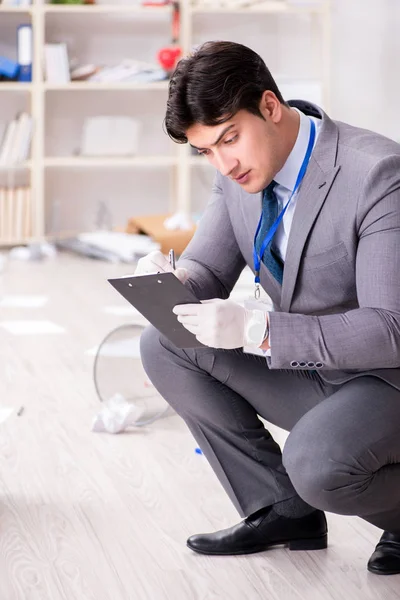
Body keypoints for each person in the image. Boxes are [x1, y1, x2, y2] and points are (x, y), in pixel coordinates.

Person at [137, 41, 400, 575]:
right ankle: (283, 510)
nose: (223, 163)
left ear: (271, 106)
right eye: (206, 150)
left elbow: (390, 329)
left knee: (316, 462)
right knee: (166, 342)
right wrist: (172, 281)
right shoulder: (237, 172)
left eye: (229, 139)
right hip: (318, 373)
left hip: (384, 377)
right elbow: (205, 271)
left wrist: (259, 332)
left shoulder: (377, 173)